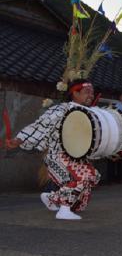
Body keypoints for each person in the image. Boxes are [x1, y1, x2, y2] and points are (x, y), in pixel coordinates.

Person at [6, 79, 100, 220]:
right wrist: (20, 139)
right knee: (83, 177)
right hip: (57, 157)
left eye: (92, 93)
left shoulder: (91, 112)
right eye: (87, 92)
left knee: (93, 179)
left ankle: (52, 197)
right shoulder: (61, 109)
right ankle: (63, 210)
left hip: (77, 158)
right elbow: (40, 126)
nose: (91, 95)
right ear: (75, 93)